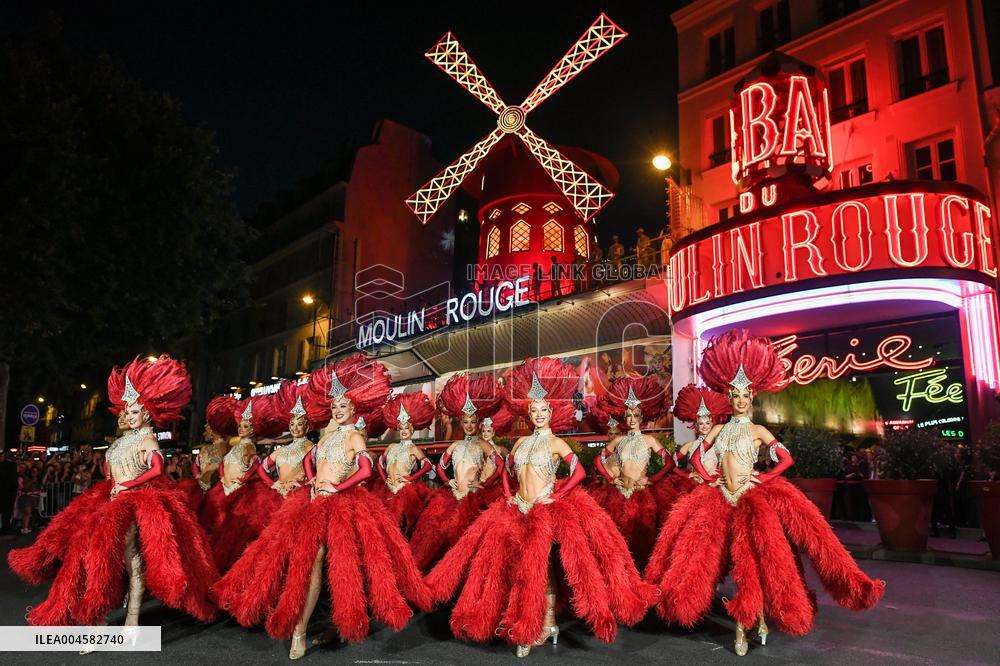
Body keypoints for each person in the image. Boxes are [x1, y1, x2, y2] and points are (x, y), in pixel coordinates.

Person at [644, 330, 884, 656]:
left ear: (751, 398)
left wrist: (763, 478)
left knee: (756, 560)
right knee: (687, 547)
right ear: (729, 397)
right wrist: (709, 478)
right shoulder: (717, 429)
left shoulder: (758, 430)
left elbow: (786, 459)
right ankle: (674, 599)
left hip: (748, 497)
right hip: (718, 497)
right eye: (734, 394)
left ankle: (749, 623)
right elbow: (698, 457)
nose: (739, 400)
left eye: (745, 395)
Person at [427, 357, 656, 658]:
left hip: (546, 510)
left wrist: (556, 492)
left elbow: (580, 473)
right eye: (533, 410)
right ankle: (524, 620)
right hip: (518, 509)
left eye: (542, 410)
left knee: (540, 566)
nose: (537, 414)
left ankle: (544, 622)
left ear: (551, 412)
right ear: (529, 412)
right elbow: (508, 473)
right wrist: (511, 495)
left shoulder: (557, 444)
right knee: (512, 566)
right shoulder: (521, 444)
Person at [213, 353, 430, 659]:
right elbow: (307, 460)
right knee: (299, 559)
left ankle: (312, 628)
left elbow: (367, 470)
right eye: (335, 406)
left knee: (337, 566)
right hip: (312, 504)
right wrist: (313, 481)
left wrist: (337, 487)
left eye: (343, 406)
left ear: (353, 408)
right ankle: (305, 626)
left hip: (342, 507)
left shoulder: (355, 435)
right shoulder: (326, 439)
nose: (338, 410)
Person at [8, 355, 217, 626]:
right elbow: (109, 472)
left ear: (145, 413)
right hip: (111, 498)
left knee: (110, 553)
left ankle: (119, 618)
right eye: (126, 412)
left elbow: (157, 469)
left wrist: (128, 485)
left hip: (132, 502)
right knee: (95, 549)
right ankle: (95, 613)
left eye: (134, 412)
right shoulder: (120, 442)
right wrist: (112, 486)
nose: (129, 416)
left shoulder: (147, 437)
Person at [408, 372, 502, 572]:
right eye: (466, 422)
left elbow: (500, 465)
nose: (469, 426)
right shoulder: (456, 445)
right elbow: (440, 466)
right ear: (461, 422)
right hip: (454, 497)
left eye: (473, 422)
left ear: (478, 424)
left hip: (474, 498)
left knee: (472, 543)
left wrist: (485, 483)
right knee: (448, 540)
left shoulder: (484, 444)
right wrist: (447, 480)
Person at [590, 376, 676, 569]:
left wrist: (652, 479)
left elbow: (669, 463)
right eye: (628, 415)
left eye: (635, 415)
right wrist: (611, 478)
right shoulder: (617, 441)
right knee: (618, 540)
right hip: (618, 494)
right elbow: (598, 460)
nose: (631, 419)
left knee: (643, 540)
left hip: (642, 494)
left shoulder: (649, 440)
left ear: (641, 417)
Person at [199, 393, 284, 571]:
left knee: (231, 531)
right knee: (217, 526)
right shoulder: (236, 445)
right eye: (240, 425)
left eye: (246, 426)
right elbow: (223, 463)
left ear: (252, 429)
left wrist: (244, 479)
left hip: (240, 491)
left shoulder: (249, 446)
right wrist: (222, 476)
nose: (242, 429)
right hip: (225, 488)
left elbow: (255, 464)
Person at [373, 392, 434, 536]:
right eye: (401, 428)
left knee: (403, 527)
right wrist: (383, 477)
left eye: (406, 428)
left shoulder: (414, 448)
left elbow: (428, 465)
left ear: (411, 429)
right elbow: (380, 463)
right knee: (385, 525)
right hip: (387, 488)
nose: (404, 431)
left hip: (404, 490)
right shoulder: (391, 447)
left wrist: (411, 479)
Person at [16, 466, 41, 534]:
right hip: (26, 497)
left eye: (36, 471)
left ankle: (25, 527)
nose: (35, 473)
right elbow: (25, 487)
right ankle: (25, 528)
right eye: (33, 471)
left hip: (33, 498)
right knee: (26, 512)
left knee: (28, 513)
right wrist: (32, 481)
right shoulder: (27, 478)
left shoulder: (39, 479)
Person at [0, 450, 17, 533]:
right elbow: (13, 480)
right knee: (7, 511)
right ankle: (5, 527)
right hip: (9, 492)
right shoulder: (12, 465)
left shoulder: (1, 465)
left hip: (2, 491)